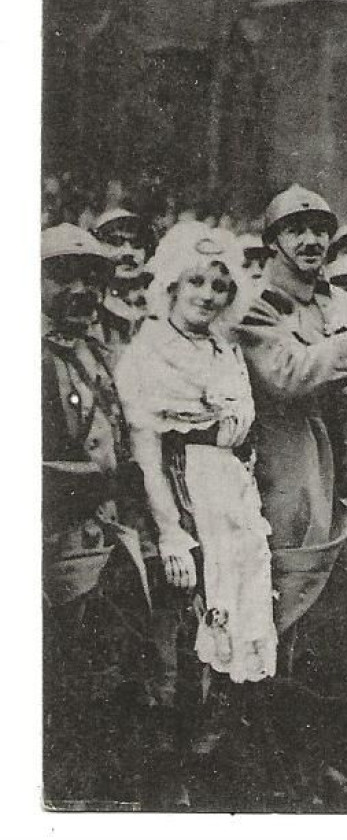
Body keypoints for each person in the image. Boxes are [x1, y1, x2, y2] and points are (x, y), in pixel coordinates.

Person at [234, 184, 347, 797]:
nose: (310, 241)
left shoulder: (340, 302)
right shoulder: (258, 307)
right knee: (293, 622)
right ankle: (291, 774)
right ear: (274, 241)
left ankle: (332, 765)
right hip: (293, 480)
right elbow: (287, 375)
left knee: (344, 630)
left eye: (319, 230)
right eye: (296, 230)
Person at [117, 222, 276, 803]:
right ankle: (178, 779)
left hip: (229, 490)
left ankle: (221, 767)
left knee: (238, 618)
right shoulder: (150, 348)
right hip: (186, 495)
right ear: (171, 285)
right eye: (195, 283)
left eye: (218, 285)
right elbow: (146, 450)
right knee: (191, 631)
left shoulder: (222, 346)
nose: (207, 295)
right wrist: (170, 531)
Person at [41, 225, 167, 805]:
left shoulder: (94, 352)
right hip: (53, 556)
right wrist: (104, 480)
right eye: (62, 277)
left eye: (90, 280)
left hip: (108, 546)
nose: (79, 292)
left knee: (116, 680)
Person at [91, 206, 156, 360]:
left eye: (137, 244)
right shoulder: (91, 310)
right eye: (115, 242)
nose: (128, 252)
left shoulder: (159, 306)